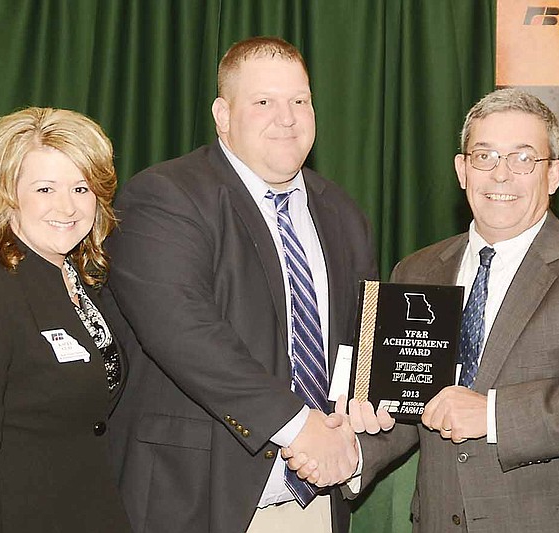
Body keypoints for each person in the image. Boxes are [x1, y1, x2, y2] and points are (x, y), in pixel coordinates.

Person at [291, 88, 559, 532]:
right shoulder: (418, 269)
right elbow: (412, 406)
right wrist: (352, 455)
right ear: (462, 170)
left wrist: (491, 413)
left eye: (523, 159)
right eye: (484, 156)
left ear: (555, 175)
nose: (500, 175)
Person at [101, 36, 377, 533]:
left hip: (312, 500)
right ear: (222, 115)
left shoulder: (342, 213)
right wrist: (299, 427)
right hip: (193, 500)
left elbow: (357, 343)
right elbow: (182, 331)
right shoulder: (164, 196)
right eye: (264, 102)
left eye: (299, 101)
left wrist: (363, 410)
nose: (287, 117)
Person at [0, 107, 132, 532]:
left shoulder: (82, 280)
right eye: (45, 188)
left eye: (81, 187)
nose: (67, 206)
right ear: (6, 193)